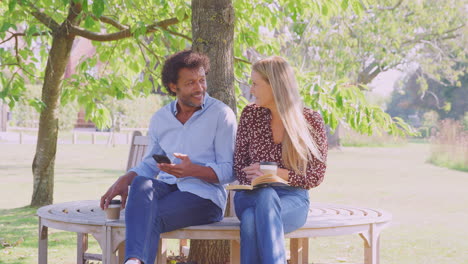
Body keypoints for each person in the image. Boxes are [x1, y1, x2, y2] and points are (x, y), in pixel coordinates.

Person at [100, 50, 237, 264]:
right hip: (165, 190)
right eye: (191, 82)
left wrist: (192, 170)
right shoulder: (161, 118)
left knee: (143, 216)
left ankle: (134, 261)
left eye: (202, 80)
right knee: (141, 184)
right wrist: (125, 179)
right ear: (174, 87)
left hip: (204, 197)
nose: (199, 88)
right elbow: (151, 163)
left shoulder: (221, 115)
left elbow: (229, 170)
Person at [233, 56, 328, 263]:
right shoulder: (250, 115)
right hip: (251, 195)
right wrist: (256, 176)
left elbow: (316, 175)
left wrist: (274, 173)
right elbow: (239, 166)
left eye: (256, 84)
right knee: (266, 195)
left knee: (250, 221)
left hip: (292, 199)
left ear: (274, 86)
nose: (251, 90)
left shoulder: (310, 120)